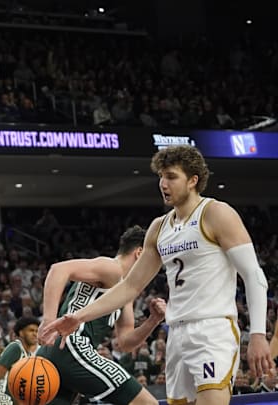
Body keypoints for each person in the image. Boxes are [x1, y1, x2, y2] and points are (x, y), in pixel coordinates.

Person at [43, 145, 272, 405]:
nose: (163, 183)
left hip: (212, 329)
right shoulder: (158, 228)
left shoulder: (216, 213)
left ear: (193, 180)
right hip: (176, 333)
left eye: (172, 176)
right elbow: (130, 286)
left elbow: (254, 275)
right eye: (161, 176)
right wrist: (78, 317)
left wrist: (257, 334)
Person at [37, 226, 163, 405]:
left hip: (57, 352)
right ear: (140, 253)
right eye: (154, 259)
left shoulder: (126, 292)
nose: (156, 267)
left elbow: (125, 342)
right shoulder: (112, 267)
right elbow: (59, 270)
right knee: (147, 403)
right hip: (72, 345)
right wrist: (48, 319)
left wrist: (153, 321)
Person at [0, 317, 40, 405]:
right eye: (31, 330)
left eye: (36, 331)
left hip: (10, 399)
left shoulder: (29, 355)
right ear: (21, 333)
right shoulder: (15, 348)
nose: (35, 334)